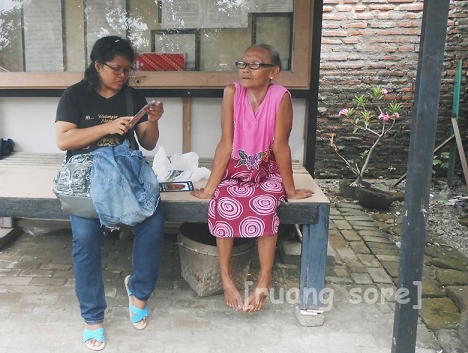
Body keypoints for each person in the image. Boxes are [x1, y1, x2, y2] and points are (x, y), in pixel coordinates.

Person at [55, 36, 165, 351]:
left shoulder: (132, 97)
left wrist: (152, 122)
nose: (122, 75)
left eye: (127, 69)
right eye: (116, 68)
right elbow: (64, 140)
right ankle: (92, 318)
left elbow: (148, 143)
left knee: (153, 223)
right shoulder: (75, 96)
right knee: (86, 240)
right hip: (87, 178)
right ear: (97, 65)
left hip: (126, 174)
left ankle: (139, 292)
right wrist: (106, 128)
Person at [191, 44, 314, 312]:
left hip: (267, 170)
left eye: (255, 64)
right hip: (237, 169)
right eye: (242, 63)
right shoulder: (231, 92)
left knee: (266, 205)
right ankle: (226, 277)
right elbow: (226, 142)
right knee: (223, 202)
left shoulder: (281, 96)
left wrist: (290, 190)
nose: (246, 69)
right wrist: (211, 188)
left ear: (274, 72)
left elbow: (281, 146)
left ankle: (263, 280)